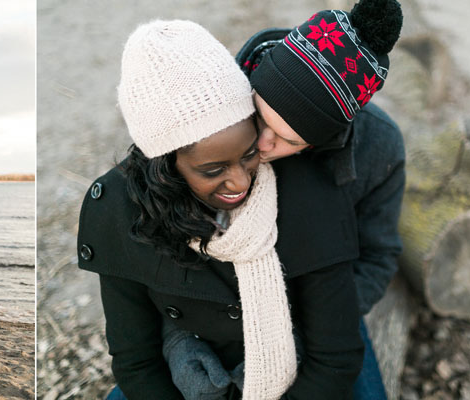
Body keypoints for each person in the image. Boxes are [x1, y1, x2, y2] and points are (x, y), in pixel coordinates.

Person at [78, 19, 364, 400]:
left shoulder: (308, 196)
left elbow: (336, 358)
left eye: (249, 154)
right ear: (164, 167)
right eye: (212, 170)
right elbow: (137, 361)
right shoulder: (122, 213)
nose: (241, 182)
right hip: (182, 366)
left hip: (301, 368)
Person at [163, 0, 406, 398]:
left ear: (320, 140)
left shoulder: (380, 148)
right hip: (211, 294)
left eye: (288, 140)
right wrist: (179, 337)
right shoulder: (211, 107)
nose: (260, 144)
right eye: (260, 117)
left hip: (322, 304)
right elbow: (161, 226)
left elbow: (378, 257)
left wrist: (305, 324)